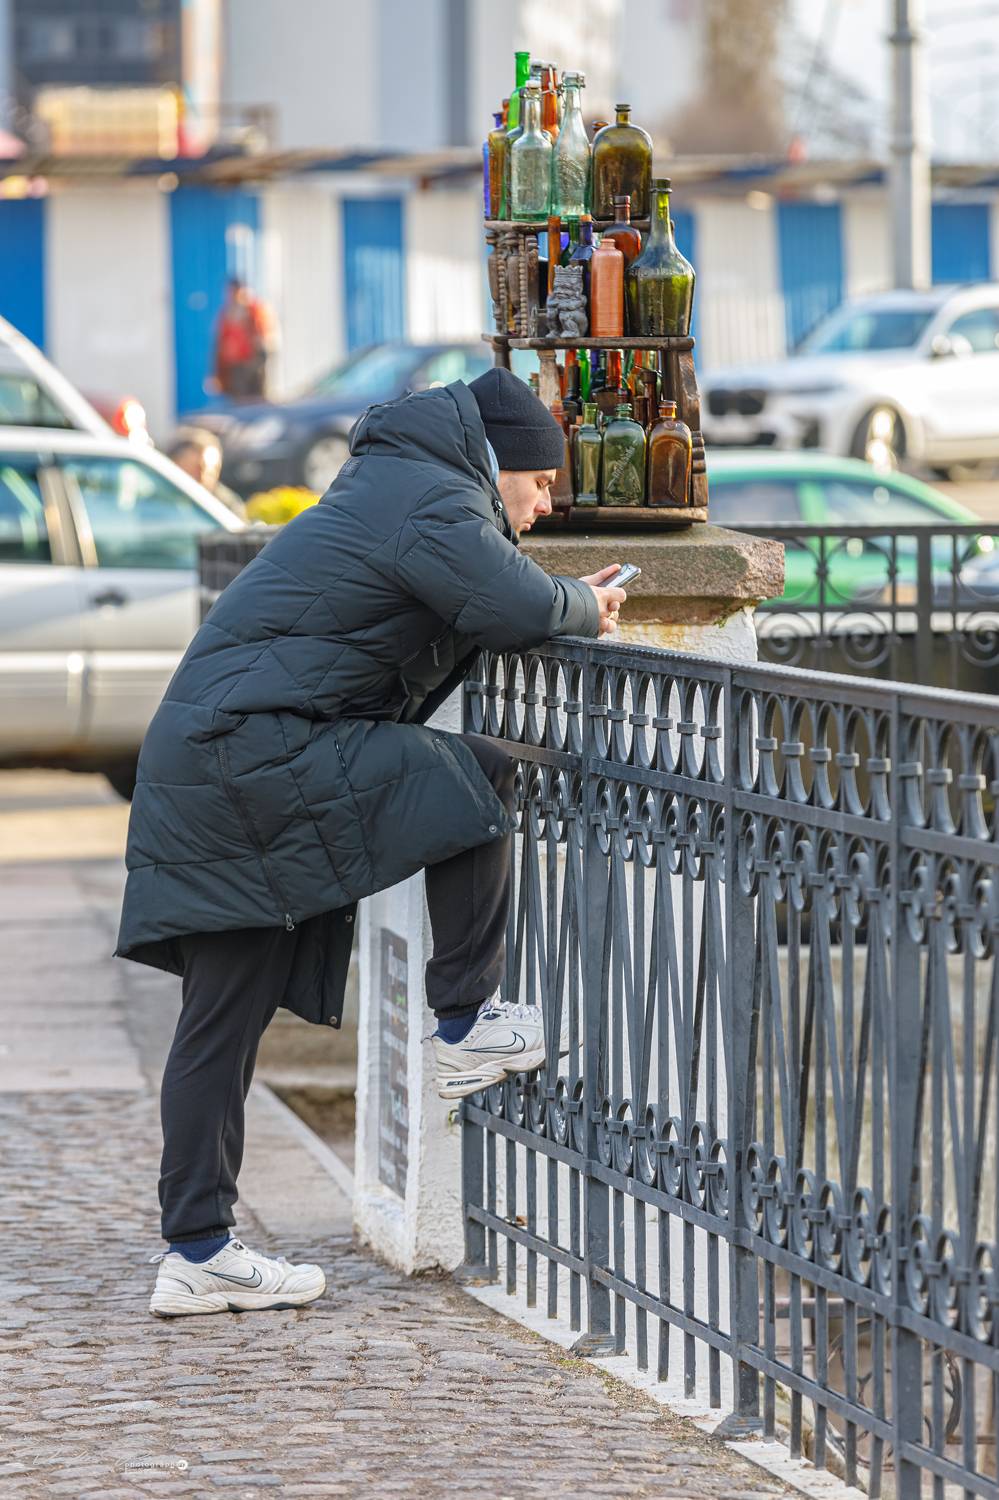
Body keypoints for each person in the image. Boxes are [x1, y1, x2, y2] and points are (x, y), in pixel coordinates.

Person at [115, 368, 627, 1318]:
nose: (545, 504)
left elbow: (485, 595)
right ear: (503, 463)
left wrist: (549, 589)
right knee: (473, 775)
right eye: (543, 484)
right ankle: (465, 1022)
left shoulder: (407, 481)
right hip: (249, 756)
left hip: (227, 755)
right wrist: (585, 608)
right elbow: (512, 609)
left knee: (221, 1016)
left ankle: (197, 1249)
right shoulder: (429, 494)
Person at [165, 426, 247, 519]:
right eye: (198, 468)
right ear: (174, 465)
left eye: (213, 470)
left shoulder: (226, 505)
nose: (204, 477)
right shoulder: (155, 503)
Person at [211, 277, 273, 398]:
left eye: (236, 292)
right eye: (230, 292)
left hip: (253, 364)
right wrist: (217, 374)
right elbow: (219, 344)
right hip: (235, 367)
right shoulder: (226, 314)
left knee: (256, 398)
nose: (233, 295)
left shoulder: (255, 311)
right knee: (238, 398)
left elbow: (265, 337)